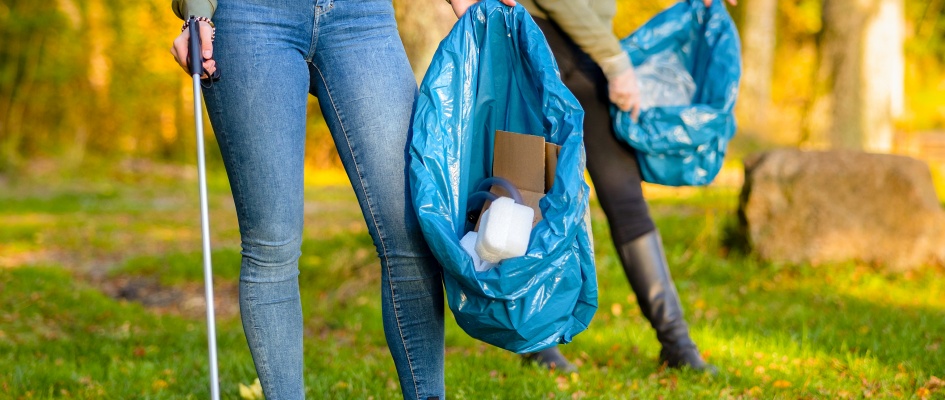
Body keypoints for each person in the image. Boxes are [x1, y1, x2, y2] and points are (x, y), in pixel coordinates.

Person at [168, 0, 512, 398]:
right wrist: (196, 9)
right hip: (251, 17)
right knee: (272, 245)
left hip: (360, 16)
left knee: (411, 234)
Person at [515, 0, 735, 374]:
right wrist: (616, 62)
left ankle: (676, 342)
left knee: (626, 199)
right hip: (534, 45)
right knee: (532, 195)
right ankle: (538, 342)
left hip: (587, 52)